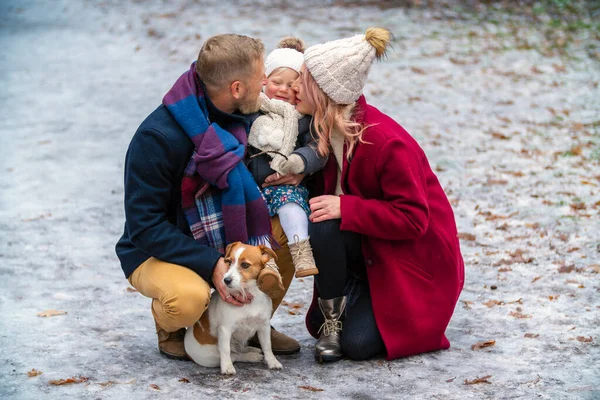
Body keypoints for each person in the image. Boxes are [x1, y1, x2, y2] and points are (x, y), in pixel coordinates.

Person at [115, 34, 301, 361]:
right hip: (158, 248)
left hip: (223, 237)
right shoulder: (157, 138)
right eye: (260, 78)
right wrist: (210, 262)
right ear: (236, 88)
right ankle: (171, 326)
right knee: (188, 298)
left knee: (291, 227)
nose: (266, 83)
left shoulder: (246, 116)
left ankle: (252, 320)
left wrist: (296, 170)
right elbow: (144, 227)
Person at [290, 27, 465, 362]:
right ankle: (332, 318)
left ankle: (358, 298)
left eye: (302, 79)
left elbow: (414, 220)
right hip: (369, 250)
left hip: (410, 265)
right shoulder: (322, 130)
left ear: (324, 90)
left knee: (357, 346)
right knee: (323, 220)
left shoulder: (386, 142)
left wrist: (347, 206)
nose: (294, 86)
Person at [246, 37, 328, 278]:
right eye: (276, 82)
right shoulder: (252, 110)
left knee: (292, 207)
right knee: (247, 214)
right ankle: (263, 263)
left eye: (291, 85)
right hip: (252, 184)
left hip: (284, 183)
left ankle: (301, 250)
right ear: (263, 82)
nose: (283, 89)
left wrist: (299, 162)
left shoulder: (303, 119)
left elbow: (317, 149)